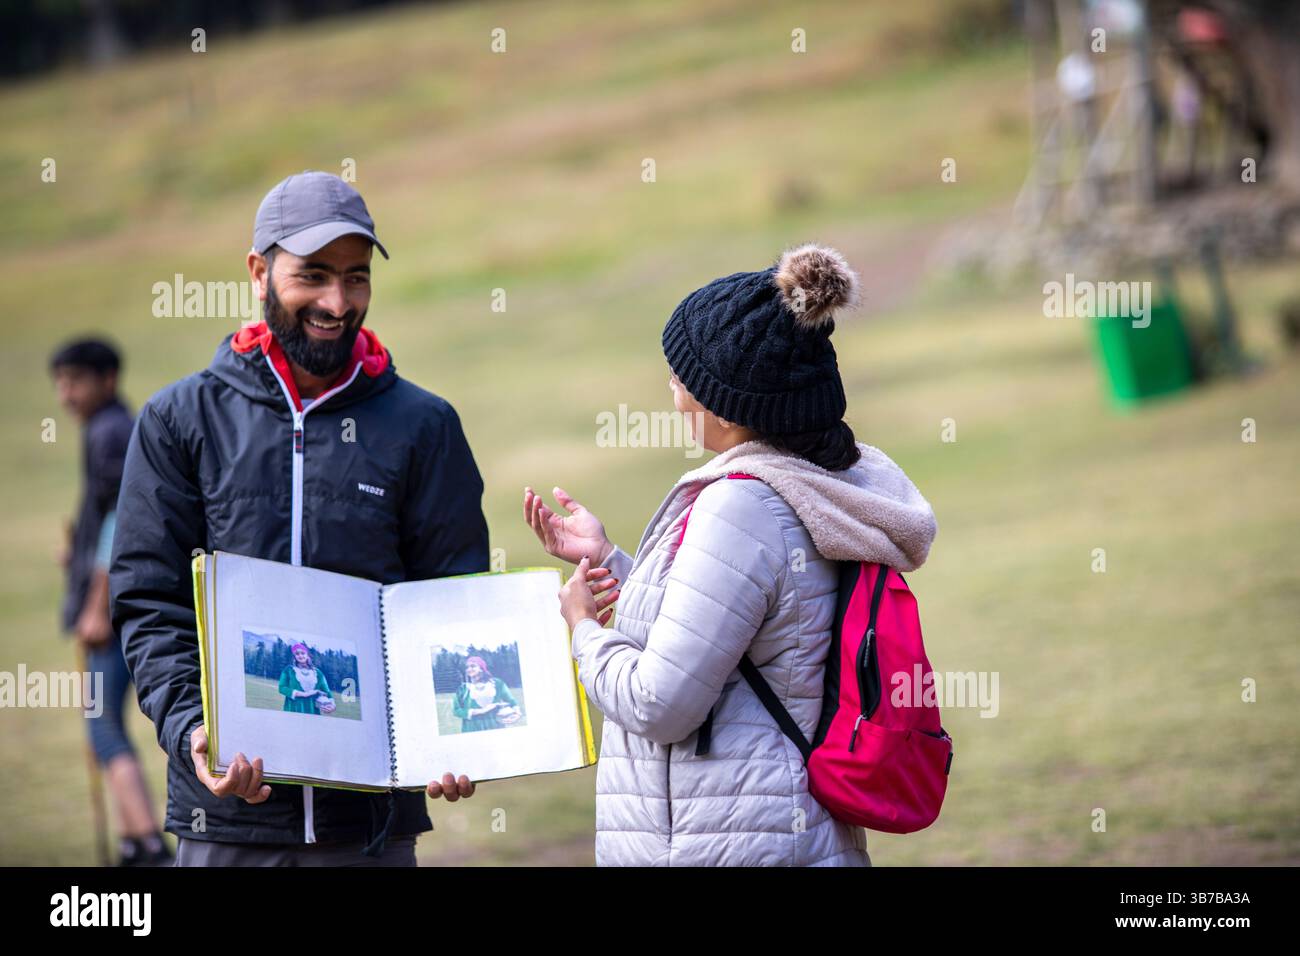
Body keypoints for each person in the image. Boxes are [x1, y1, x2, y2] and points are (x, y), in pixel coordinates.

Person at [110, 171, 485, 867]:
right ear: (258, 271)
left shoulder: (424, 426)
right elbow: (149, 604)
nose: (337, 303)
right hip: (225, 823)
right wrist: (194, 727)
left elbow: (452, 604)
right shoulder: (177, 421)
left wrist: (455, 739)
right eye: (313, 275)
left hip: (370, 828)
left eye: (356, 277)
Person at [525, 244, 938, 866]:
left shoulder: (741, 510)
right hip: (777, 834)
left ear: (723, 407)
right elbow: (735, 629)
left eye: (681, 376)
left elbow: (658, 704)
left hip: (728, 841)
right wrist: (610, 558)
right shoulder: (808, 485)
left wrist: (583, 628)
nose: (672, 388)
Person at [51, 338, 172, 867]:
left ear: (108, 379)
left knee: (102, 724)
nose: (64, 394)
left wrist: (96, 604)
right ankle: (133, 842)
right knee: (106, 722)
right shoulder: (115, 428)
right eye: (60, 381)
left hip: (115, 606)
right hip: (120, 595)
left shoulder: (109, 432)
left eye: (75, 380)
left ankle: (147, 843)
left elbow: (121, 520)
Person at [451, 656, 520, 732]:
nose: (469, 669)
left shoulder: (497, 684)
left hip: (496, 728)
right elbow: (456, 710)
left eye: (473, 666)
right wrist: (482, 710)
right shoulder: (462, 689)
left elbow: (512, 701)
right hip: (471, 729)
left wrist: (517, 714)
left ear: (481, 668)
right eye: (467, 667)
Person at [278, 643, 333, 715]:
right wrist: (304, 694)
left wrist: (332, 706)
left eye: (303, 653)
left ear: (307, 655)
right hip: (293, 710)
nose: (300, 655)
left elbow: (327, 691)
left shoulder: (318, 673)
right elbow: (282, 688)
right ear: (294, 657)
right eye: (297, 654)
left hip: (312, 711)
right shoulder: (288, 670)